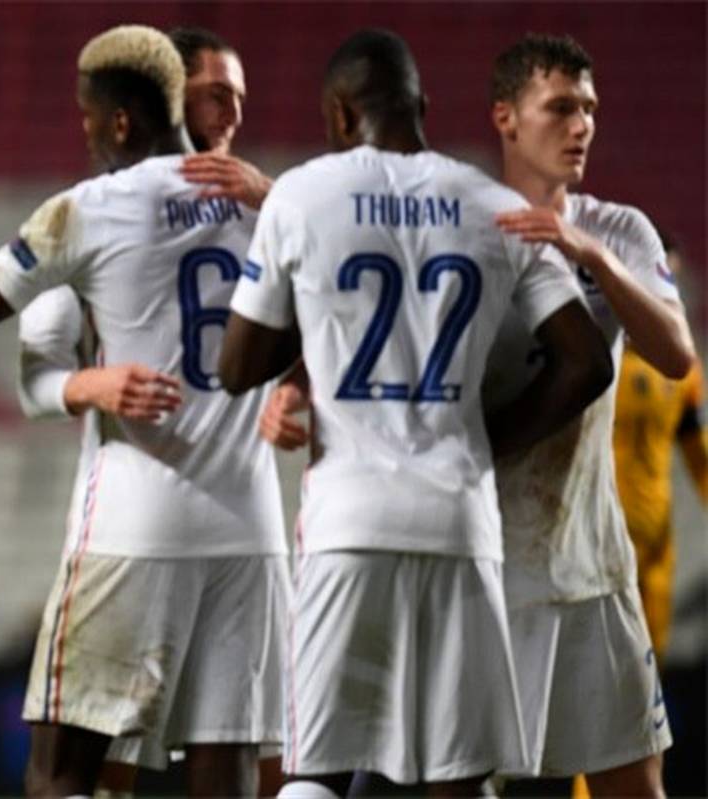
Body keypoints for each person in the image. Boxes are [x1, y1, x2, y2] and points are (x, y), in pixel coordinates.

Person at [218, 29, 613, 798]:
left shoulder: (303, 194)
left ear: (340, 114)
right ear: (421, 107)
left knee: (317, 767)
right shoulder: (496, 208)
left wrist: (322, 308)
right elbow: (587, 361)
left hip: (347, 523)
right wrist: (488, 442)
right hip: (459, 521)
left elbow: (236, 366)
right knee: (456, 774)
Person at [0, 24, 287, 797]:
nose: (83, 131)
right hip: (250, 531)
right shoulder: (267, 206)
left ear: (120, 119)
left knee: (59, 772)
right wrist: (86, 386)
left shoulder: (89, 210)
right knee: (225, 772)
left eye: (88, 116)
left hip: (133, 526)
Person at [485, 34, 696, 796]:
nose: (582, 126)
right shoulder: (466, 228)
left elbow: (676, 353)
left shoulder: (620, 230)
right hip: (484, 563)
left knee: (635, 784)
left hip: (591, 564)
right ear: (506, 117)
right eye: (560, 108)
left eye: (590, 109)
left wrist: (591, 256)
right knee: (465, 781)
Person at [612, 236, 706, 662]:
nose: (669, 295)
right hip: (591, 541)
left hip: (654, 543)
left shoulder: (683, 371)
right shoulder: (591, 354)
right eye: (659, 280)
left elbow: (698, 452)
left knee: (649, 673)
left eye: (673, 283)